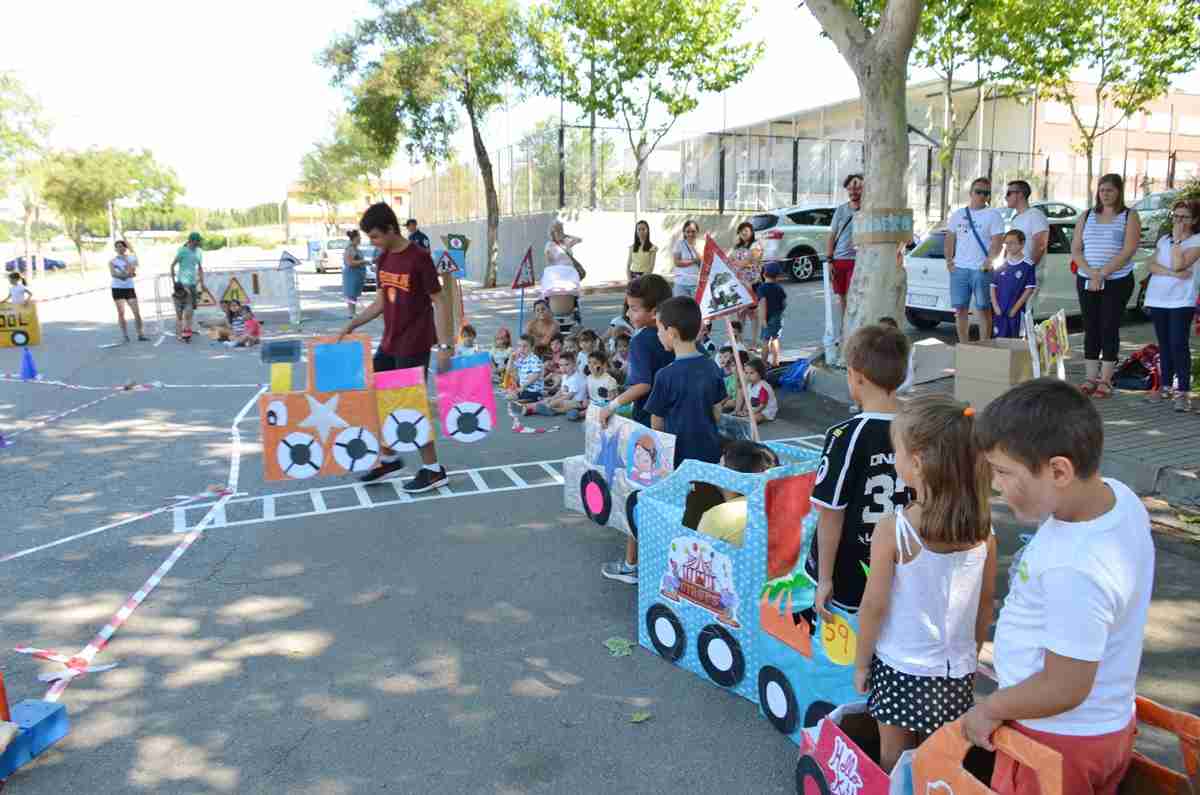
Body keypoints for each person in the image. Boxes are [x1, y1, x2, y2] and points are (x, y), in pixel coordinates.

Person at [965, 379, 1154, 795]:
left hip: (1055, 742)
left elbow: (1064, 686)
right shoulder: (1118, 498)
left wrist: (990, 709)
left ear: (1059, 471)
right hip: (1101, 728)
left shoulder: (1077, 568)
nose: (995, 486)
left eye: (1003, 472)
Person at [854, 396, 998, 773]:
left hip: (900, 664)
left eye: (897, 451)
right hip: (956, 670)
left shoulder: (895, 529)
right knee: (940, 761)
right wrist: (971, 651)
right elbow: (986, 606)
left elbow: (874, 606)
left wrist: (860, 662)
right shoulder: (986, 532)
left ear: (916, 463)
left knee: (894, 759)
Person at [338, 202, 451, 493]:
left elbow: (439, 301)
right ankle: (388, 459)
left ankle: (433, 469)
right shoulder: (383, 258)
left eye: (375, 236)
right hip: (390, 342)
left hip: (414, 343)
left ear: (390, 229)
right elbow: (379, 302)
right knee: (378, 399)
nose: (372, 242)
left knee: (410, 407)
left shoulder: (419, 258)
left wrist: (445, 345)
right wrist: (354, 323)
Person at [806, 325, 911, 624]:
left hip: (852, 568)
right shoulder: (922, 429)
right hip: (905, 561)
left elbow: (830, 513)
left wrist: (824, 579)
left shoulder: (846, 435)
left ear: (856, 376)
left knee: (853, 644)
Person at [598, 274, 675, 584]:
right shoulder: (678, 333)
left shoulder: (643, 338)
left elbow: (643, 383)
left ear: (654, 312)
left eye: (633, 309)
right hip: (677, 424)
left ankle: (632, 564)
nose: (628, 314)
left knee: (639, 493)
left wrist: (613, 404)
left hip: (649, 426)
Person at [1070, 173, 1142, 398]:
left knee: (1108, 326)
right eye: (1102, 190)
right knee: (1091, 326)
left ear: (1119, 191)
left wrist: (1102, 274)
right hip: (1087, 278)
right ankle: (1091, 378)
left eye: (1110, 190)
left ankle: (1106, 379)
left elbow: (1128, 249)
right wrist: (1091, 273)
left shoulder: (1129, 215)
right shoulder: (1087, 215)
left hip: (1117, 280)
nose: (1106, 194)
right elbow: (1076, 249)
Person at [645, 295, 727, 466]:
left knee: (685, 492)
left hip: (679, 456)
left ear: (672, 333)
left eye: (659, 329)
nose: (658, 334)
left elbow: (656, 423)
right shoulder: (711, 366)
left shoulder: (665, 375)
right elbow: (717, 413)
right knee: (707, 489)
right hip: (710, 450)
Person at [1143, 198, 1200, 411]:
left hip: (1181, 300)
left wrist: (1177, 242)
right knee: (1164, 343)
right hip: (1158, 297)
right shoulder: (1164, 240)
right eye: (1176, 216)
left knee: (1179, 343)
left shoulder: (1196, 241)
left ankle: (1183, 392)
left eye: (1184, 217)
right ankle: (1165, 386)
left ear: (1194, 220)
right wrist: (1170, 273)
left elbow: (1180, 263)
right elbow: (1151, 265)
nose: (1179, 221)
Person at [945, 177, 1004, 344]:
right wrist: (949, 261)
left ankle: (984, 345)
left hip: (981, 269)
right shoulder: (958, 214)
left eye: (986, 193)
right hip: (960, 269)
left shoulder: (993, 215)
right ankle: (963, 345)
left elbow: (998, 240)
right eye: (978, 192)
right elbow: (950, 238)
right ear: (970, 193)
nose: (982, 196)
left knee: (983, 309)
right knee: (960, 309)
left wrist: (990, 260)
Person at [697, 441, 781, 546]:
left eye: (720, 464)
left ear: (731, 477)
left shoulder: (718, 515)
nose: (716, 467)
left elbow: (698, 553)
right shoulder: (787, 503)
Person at [990, 230, 1038, 339]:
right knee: (999, 339)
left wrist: (1015, 309)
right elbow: (993, 286)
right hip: (1000, 310)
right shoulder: (1000, 264)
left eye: (1012, 243)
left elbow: (1029, 290)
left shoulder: (1028, 265)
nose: (1008, 246)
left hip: (1016, 312)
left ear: (1022, 244)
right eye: (1006, 243)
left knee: (1016, 339)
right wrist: (995, 306)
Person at [827, 174, 863, 318]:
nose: (853, 191)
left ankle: (855, 328)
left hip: (859, 260)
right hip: (839, 260)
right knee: (842, 297)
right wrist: (830, 261)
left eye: (858, 188)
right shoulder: (841, 210)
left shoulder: (869, 209)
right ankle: (845, 329)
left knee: (855, 296)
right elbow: (831, 235)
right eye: (850, 189)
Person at [1004, 180, 1049, 289]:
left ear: (1020, 194)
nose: (1006, 197)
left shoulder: (1035, 215)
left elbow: (1041, 245)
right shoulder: (1016, 218)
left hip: (1026, 273)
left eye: (1009, 193)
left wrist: (1027, 269)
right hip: (1014, 272)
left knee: (1026, 306)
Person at [543, 219, 585, 319]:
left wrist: (566, 235)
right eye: (557, 230)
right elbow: (548, 262)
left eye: (560, 230)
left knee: (573, 294)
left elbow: (579, 239)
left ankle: (575, 313)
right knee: (553, 294)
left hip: (569, 274)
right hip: (558, 275)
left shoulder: (566, 242)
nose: (559, 232)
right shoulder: (549, 245)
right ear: (552, 232)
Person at [169, 232, 206, 341]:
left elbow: (199, 267)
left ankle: (186, 330)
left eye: (199, 241)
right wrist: (174, 281)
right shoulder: (182, 251)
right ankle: (182, 332)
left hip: (193, 284)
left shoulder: (199, 252)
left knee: (190, 309)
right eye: (198, 241)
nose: (199, 243)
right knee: (183, 310)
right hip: (183, 283)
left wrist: (202, 282)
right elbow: (172, 265)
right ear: (192, 241)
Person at [732, 221, 764, 343]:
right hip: (740, 284)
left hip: (752, 283)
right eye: (741, 231)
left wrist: (737, 263)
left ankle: (755, 341)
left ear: (751, 232)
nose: (744, 233)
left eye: (746, 230)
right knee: (741, 314)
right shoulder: (737, 247)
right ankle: (739, 341)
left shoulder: (756, 245)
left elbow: (747, 261)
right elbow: (731, 260)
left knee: (753, 314)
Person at [109, 240, 147, 342]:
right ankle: (125, 335)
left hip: (129, 288)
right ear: (115, 249)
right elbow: (114, 274)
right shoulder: (112, 261)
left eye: (122, 246)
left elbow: (133, 270)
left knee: (136, 312)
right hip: (117, 288)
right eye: (117, 247)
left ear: (125, 248)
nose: (120, 248)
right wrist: (126, 275)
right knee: (121, 312)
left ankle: (140, 334)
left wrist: (127, 266)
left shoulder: (131, 258)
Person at [756, 262, 787, 367]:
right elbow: (784, 303)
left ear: (764, 274)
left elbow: (763, 302)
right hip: (777, 316)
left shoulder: (762, 288)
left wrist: (763, 318)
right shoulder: (779, 288)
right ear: (777, 276)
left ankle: (763, 363)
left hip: (767, 317)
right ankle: (775, 361)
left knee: (765, 341)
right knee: (775, 338)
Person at [736, 358, 778, 424]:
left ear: (760, 373)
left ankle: (745, 421)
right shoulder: (749, 385)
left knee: (755, 417)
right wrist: (745, 411)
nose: (748, 375)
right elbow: (748, 400)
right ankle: (744, 419)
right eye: (746, 373)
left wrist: (750, 413)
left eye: (751, 373)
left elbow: (762, 406)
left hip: (765, 411)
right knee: (745, 416)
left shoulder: (763, 387)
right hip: (755, 408)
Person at [507, 335, 546, 403]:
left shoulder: (534, 359)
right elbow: (509, 371)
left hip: (534, 390)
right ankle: (528, 400)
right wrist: (511, 358)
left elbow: (536, 375)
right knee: (510, 394)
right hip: (524, 389)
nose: (521, 349)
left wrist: (523, 386)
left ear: (532, 348)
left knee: (514, 397)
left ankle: (533, 400)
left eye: (525, 346)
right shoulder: (521, 359)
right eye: (519, 346)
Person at [342, 229, 369, 319]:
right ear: (355, 238)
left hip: (357, 274)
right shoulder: (350, 249)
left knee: (354, 294)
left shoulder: (356, 248)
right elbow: (350, 263)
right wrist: (363, 261)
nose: (360, 239)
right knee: (351, 294)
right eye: (359, 237)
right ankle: (351, 313)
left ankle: (353, 312)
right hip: (351, 274)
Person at [671, 220, 702, 298]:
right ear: (684, 233)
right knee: (681, 308)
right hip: (681, 283)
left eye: (693, 231)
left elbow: (703, 264)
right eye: (688, 231)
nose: (690, 234)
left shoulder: (702, 244)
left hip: (696, 283)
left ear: (697, 232)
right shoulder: (679, 244)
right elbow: (677, 262)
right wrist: (694, 261)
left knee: (695, 308)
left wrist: (695, 249)